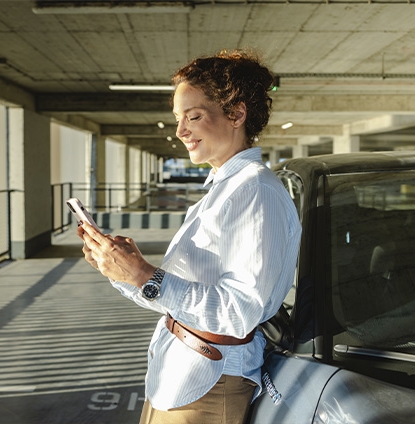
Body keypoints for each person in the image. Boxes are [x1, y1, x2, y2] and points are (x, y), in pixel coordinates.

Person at [79, 49, 301, 424]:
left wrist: (145, 276)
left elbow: (239, 311)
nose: (181, 131)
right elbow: (178, 299)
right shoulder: (224, 188)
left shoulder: (256, 191)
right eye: (178, 119)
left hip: (209, 385)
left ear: (236, 114)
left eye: (193, 117)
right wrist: (122, 271)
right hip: (180, 376)